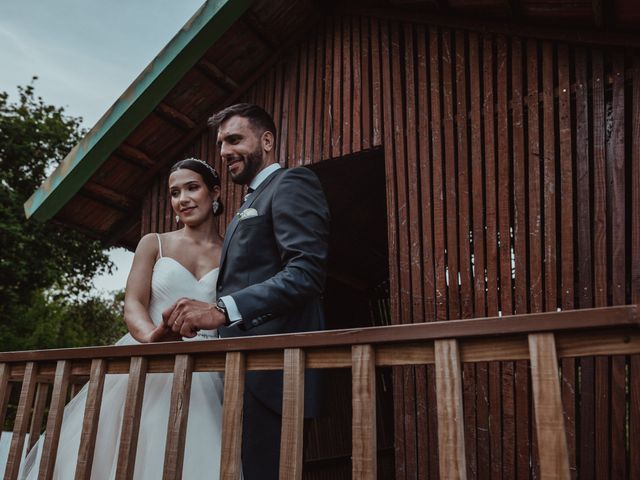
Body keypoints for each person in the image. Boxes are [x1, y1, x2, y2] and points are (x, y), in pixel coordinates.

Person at [16, 158, 229, 479]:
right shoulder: (154, 243)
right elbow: (133, 304)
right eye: (174, 192)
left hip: (208, 368)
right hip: (145, 359)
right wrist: (153, 336)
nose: (182, 198)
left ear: (214, 192)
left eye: (192, 188)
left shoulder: (231, 251)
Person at [164, 103, 330, 480]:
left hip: (274, 373)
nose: (224, 152)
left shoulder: (291, 183)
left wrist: (222, 310)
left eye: (234, 139)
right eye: (221, 143)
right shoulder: (249, 202)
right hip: (241, 373)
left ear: (267, 140)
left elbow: (305, 273)